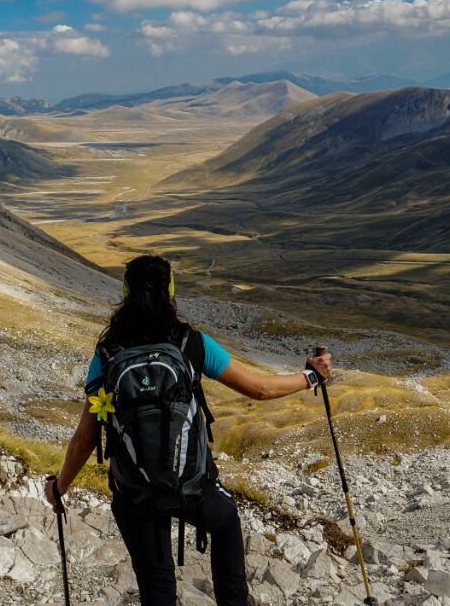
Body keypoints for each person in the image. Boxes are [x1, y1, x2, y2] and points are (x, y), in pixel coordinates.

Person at [44, 254, 332, 606]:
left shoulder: (106, 355)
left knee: (156, 585)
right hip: (191, 485)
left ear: (125, 292)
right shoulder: (190, 343)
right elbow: (260, 389)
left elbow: (85, 438)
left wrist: (59, 488)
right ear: (171, 291)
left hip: (134, 492)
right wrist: (311, 376)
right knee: (225, 523)